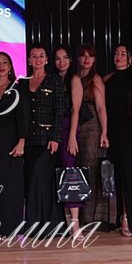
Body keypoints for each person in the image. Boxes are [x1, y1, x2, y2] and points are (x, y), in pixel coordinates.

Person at [21, 45, 66, 235]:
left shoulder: (54, 80)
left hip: (47, 140)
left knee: (42, 180)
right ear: (29, 60)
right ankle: (35, 226)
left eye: (41, 56)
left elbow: (59, 111)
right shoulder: (23, 82)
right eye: (34, 56)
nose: (38, 59)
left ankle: (50, 227)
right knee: (32, 181)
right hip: (29, 141)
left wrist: (55, 137)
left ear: (47, 59)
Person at [103, 44, 132, 237]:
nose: (118, 57)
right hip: (112, 133)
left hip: (129, 133)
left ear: (130, 58)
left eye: (123, 54)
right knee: (117, 178)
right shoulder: (106, 79)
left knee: (128, 178)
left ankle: (129, 219)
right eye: (116, 53)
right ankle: (120, 217)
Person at [0, 52, 27, 237]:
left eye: (4, 62)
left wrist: (22, 141)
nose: (1, 66)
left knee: (10, 186)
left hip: (11, 145)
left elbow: (24, 117)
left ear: (10, 66)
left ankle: (10, 227)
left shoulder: (17, 89)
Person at [68, 45, 110, 228]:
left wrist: (104, 131)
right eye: (83, 56)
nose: (86, 59)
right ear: (77, 58)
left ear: (94, 60)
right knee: (77, 169)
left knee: (90, 170)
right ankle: (79, 214)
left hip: (92, 128)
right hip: (76, 125)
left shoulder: (96, 79)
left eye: (90, 56)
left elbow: (101, 108)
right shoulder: (73, 77)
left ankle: (91, 216)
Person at [54, 46, 85, 236]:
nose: (62, 62)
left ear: (70, 60)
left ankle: (75, 223)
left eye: (65, 57)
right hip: (53, 132)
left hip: (68, 130)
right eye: (58, 58)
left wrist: (72, 136)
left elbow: (76, 110)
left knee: (70, 174)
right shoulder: (52, 79)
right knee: (56, 175)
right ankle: (61, 221)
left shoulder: (74, 79)